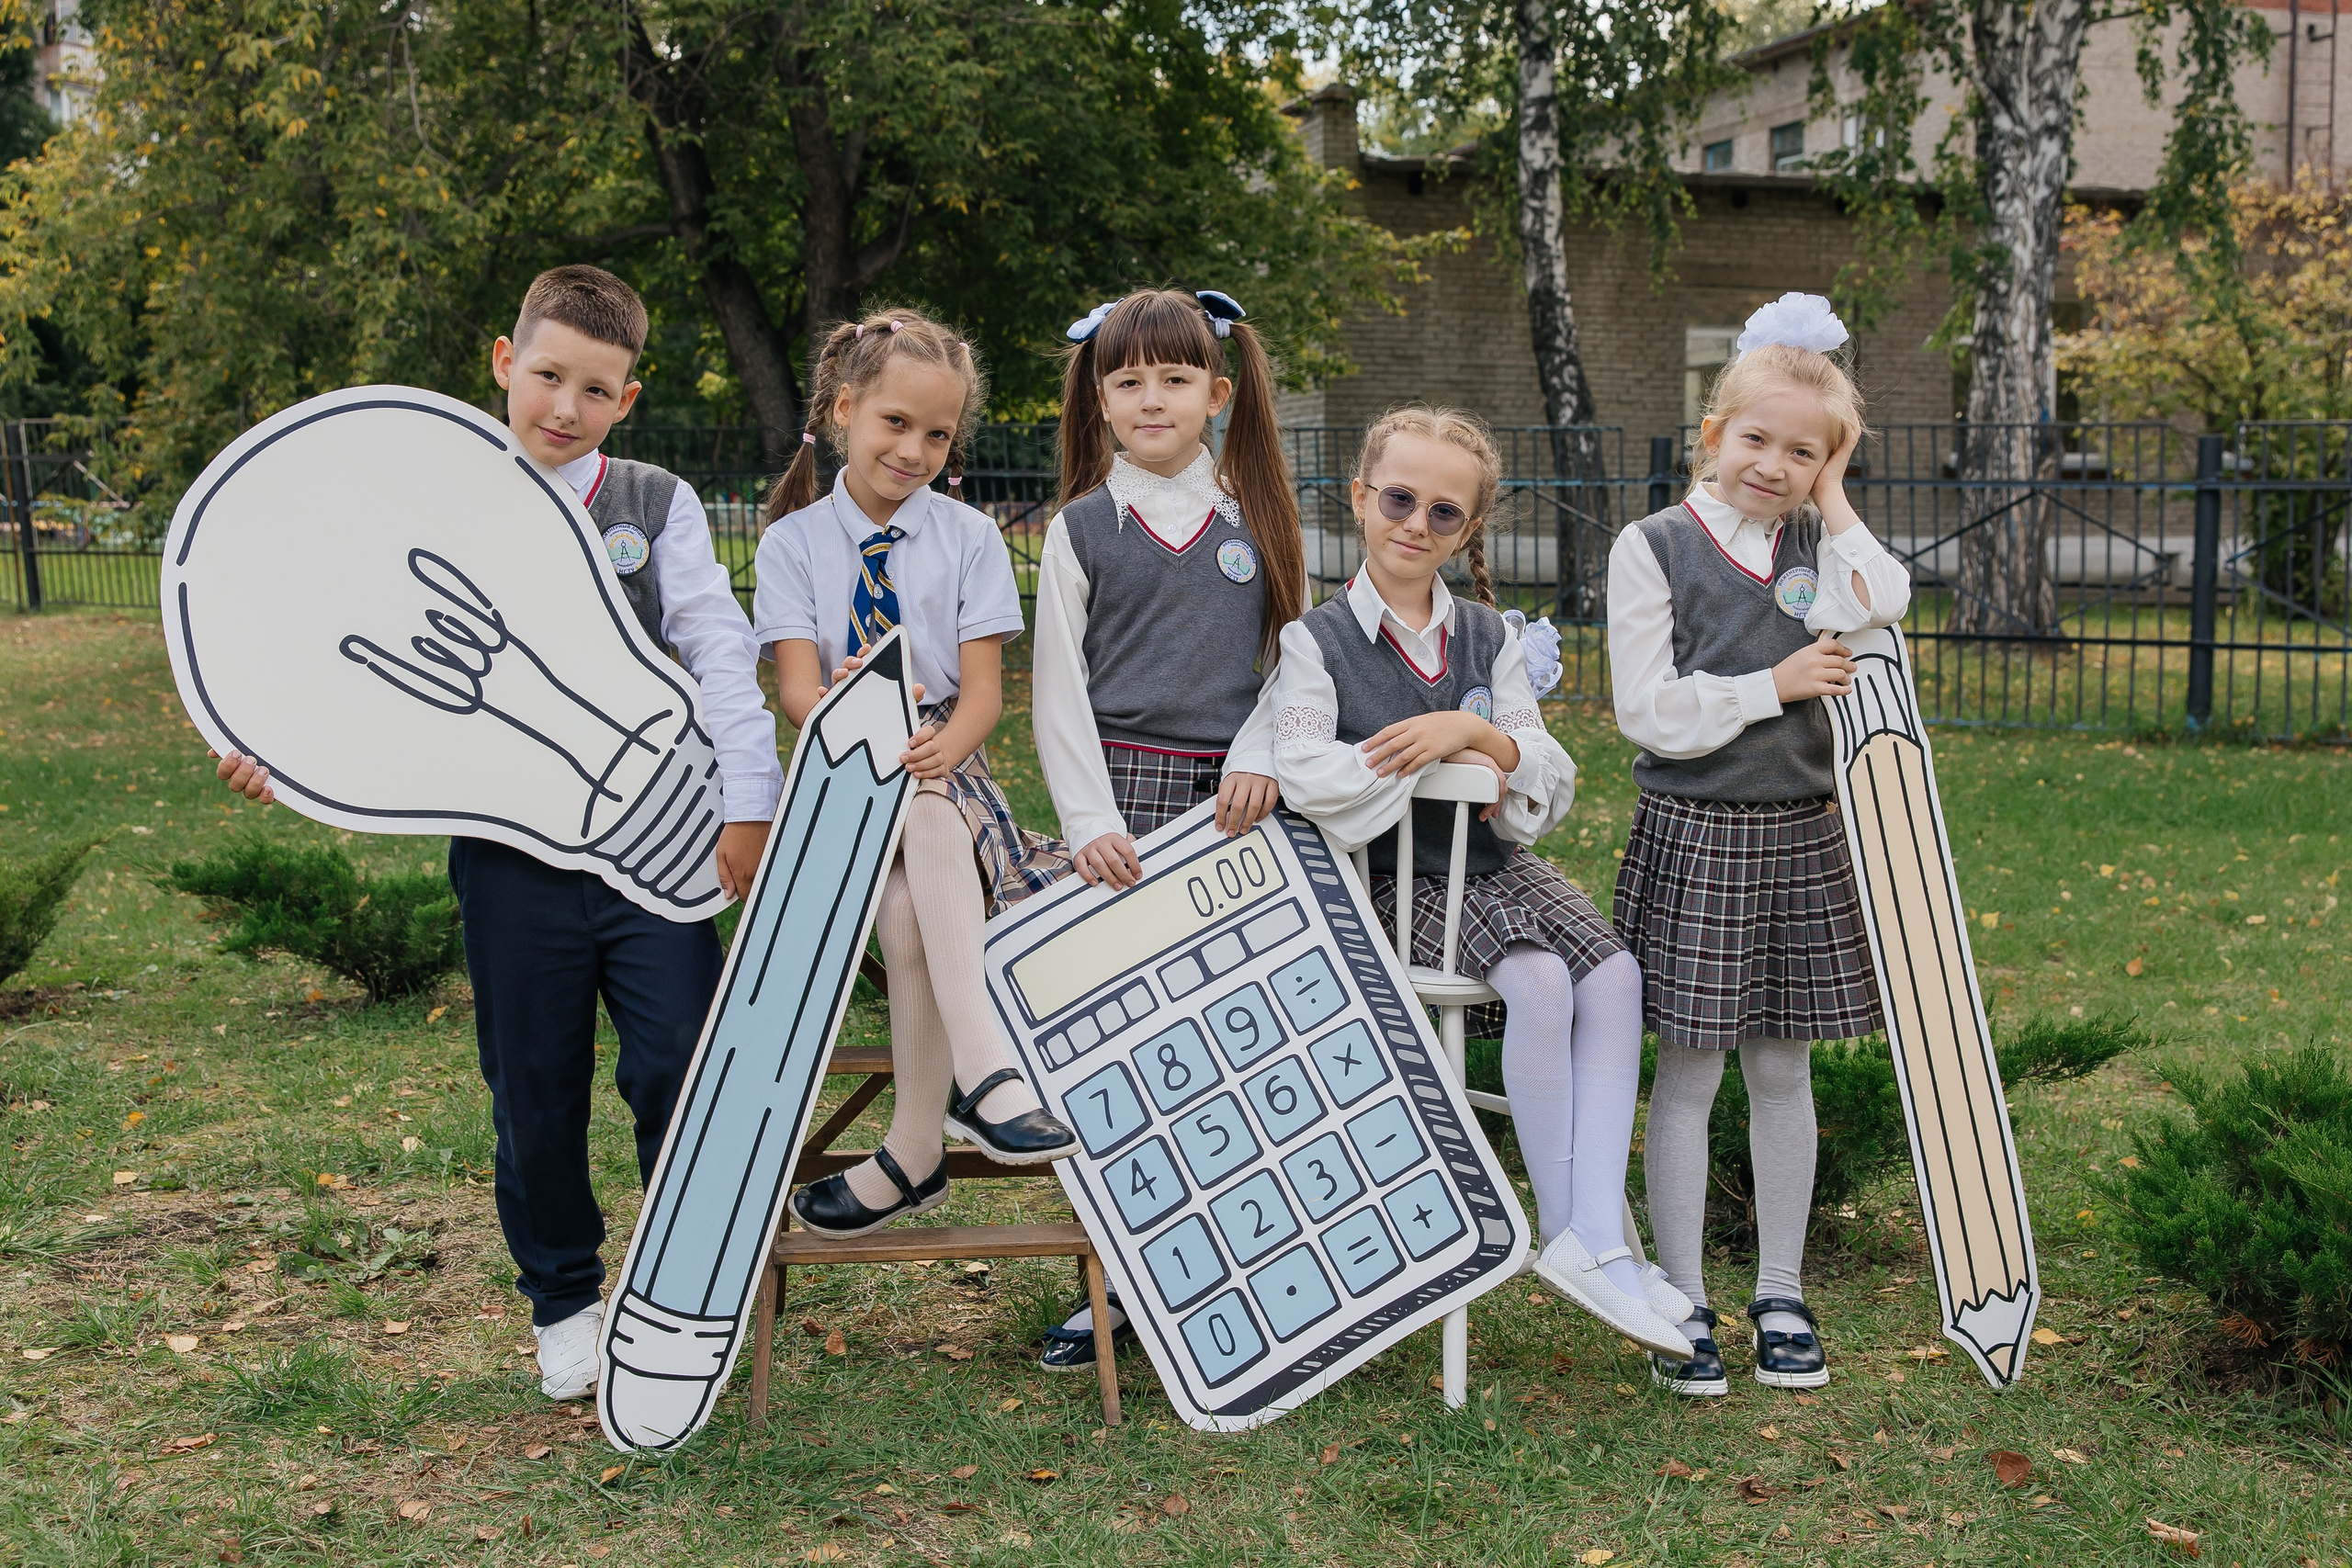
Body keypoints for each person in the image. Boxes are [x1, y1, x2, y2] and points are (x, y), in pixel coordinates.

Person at [214, 265, 783, 1404]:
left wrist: (747, 797)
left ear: (628, 398)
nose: (564, 407)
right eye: (546, 377)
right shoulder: (439, 508)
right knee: (533, 1085)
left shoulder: (652, 506)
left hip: (659, 852)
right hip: (511, 861)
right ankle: (566, 1299)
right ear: (502, 364)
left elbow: (720, 650)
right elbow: (356, 652)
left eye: (595, 388)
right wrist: (278, 748)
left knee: (679, 1063)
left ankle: (686, 1287)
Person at [1261, 404, 1693, 1359]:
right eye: (1400, 500)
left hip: (1494, 869)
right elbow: (1309, 775)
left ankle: (1597, 1239)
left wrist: (1472, 734)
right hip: (1394, 885)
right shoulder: (1317, 641)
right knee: (1540, 982)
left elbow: (1540, 760)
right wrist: (1430, 764)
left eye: (1443, 513)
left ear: (1471, 529)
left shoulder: (1488, 634)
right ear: (1361, 498)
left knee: (1615, 977)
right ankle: (1569, 1233)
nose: (1416, 525)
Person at [1608, 292, 1911, 1396]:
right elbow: (1644, 710)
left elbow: (1886, 597)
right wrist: (1770, 684)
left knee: (1781, 1071)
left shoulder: (1814, 551)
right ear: (1710, 435)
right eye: (1757, 440)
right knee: (1685, 1077)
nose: (1773, 465)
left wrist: (1836, 497)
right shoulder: (1654, 549)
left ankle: (1779, 1290)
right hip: (1694, 834)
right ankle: (1681, 1301)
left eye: (1804, 452)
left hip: (1797, 837)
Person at [753, 306, 1078, 1241]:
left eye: (938, 434)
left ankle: (913, 1152)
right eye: (896, 423)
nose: (915, 449)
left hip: (940, 753)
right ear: (847, 408)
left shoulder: (968, 539)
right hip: (839, 761)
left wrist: (941, 743)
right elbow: (796, 693)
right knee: (912, 813)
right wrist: (856, 712)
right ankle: (982, 1072)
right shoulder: (792, 544)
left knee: (914, 876)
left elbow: (981, 697)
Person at [1025, 287, 1302, 1369]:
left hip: (1241, 813)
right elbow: (1056, 694)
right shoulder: (1081, 528)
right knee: (1132, 1054)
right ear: (1098, 397)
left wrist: (1260, 755)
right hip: (1127, 815)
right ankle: (1119, 1286)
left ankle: (1249, 1261)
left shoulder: (1257, 514)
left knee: (1239, 1038)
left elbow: (1298, 664)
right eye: (1127, 380)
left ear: (1217, 393)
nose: (1151, 398)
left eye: (1174, 378)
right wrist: (1088, 822)